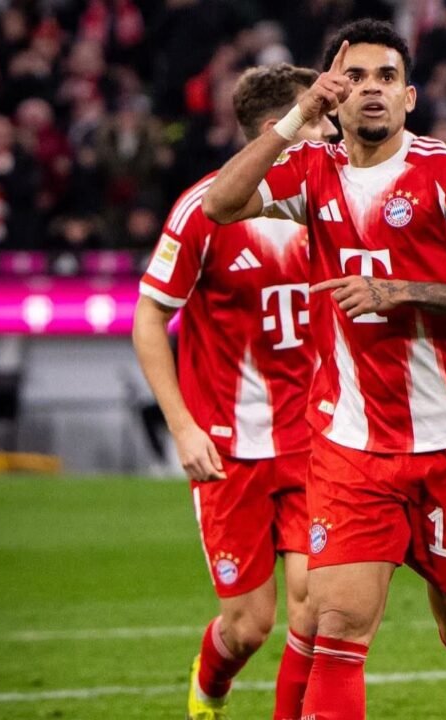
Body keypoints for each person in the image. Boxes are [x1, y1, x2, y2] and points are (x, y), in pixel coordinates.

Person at [201, 19, 446, 720]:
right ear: (335, 96)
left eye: (387, 78)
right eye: (357, 77)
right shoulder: (313, 171)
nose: (372, 89)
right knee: (337, 627)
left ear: (409, 97)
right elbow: (220, 204)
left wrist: (399, 291)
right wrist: (297, 118)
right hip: (351, 445)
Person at [132, 63, 338, 720]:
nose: (332, 131)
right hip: (228, 449)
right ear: (285, 127)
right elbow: (149, 317)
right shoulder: (207, 209)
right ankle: (210, 685)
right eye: (319, 119)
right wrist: (183, 427)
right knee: (248, 627)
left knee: (316, 608)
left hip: (314, 443)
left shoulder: (332, 197)